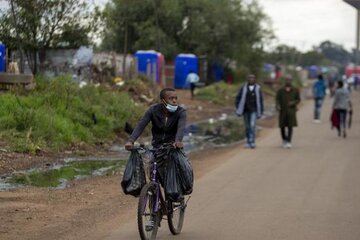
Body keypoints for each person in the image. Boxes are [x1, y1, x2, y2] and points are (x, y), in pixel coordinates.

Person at [125, 87, 186, 184]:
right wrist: (131, 140)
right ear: (163, 101)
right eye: (171, 98)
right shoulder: (153, 110)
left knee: (178, 172)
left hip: (173, 147)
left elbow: (181, 127)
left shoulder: (180, 112)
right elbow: (141, 125)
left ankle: (175, 193)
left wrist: (178, 141)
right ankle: (154, 190)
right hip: (157, 146)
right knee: (153, 169)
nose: (174, 101)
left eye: (175, 98)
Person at [235, 74, 264, 149]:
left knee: (252, 125)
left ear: (255, 79)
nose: (251, 79)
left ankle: (252, 141)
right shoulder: (243, 88)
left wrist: (261, 111)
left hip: (254, 110)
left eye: (252, 78)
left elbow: (260, 100)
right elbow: (238, 98)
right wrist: (238, 107)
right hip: (245, 110)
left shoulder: (258, 88)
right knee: (247, 126)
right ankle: (248, 141)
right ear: (247, 80)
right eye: (249, 78)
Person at [276, 75, 301, 148]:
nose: (288, 81)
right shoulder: (281, 90)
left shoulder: (295, 90)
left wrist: (293, 103)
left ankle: (289, 141)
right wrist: (277, 106)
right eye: (287, 80)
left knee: (290, 126)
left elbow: (298, 99)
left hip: (291, 111)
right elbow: (277, 99)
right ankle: (284, 140)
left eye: (289, 80)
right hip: (282, 111)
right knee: (282, 126)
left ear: (291, 81)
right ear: (285, 81)